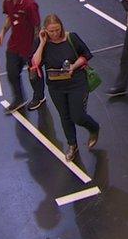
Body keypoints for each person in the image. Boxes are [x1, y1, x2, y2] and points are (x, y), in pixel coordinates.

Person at [30, 14, 101, 161]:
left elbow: (86, 55)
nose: (55, 33)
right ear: (45, 30)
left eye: (57, 29)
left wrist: (73, 66)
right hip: (56, 87)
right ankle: (72, 145)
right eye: (51, 31)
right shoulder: (42, 42)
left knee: (78, 116)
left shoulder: (71, 38)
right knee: (64, 116)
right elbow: (35, 63)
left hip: (76, 82)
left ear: (61, 26)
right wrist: (43, 42)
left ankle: (94, 128)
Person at [0, 0, 44, 113]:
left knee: (34, 75)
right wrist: (3, 32)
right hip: (14, 45)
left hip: (29, 46)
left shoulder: (29, 4)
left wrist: (36, 49)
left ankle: (39, 97)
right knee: (12, 73)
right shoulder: (7, 1)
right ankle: (19, 99)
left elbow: (37, 27)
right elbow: (10, 17)